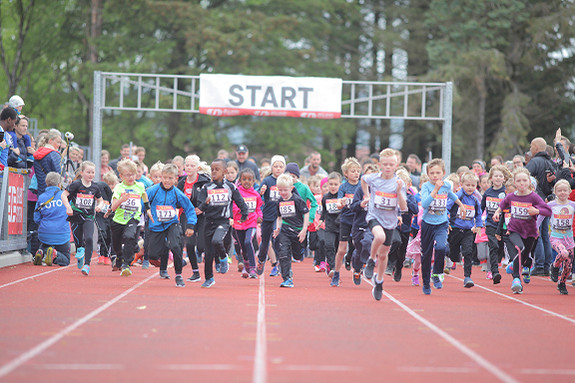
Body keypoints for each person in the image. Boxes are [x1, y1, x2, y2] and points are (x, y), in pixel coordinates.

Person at [493, 168, 551, 294]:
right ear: (514, 182)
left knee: (524, 257)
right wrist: (497, 213)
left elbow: (548, 211)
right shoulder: (511, 196)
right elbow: (502, 205)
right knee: (520, 248)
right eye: (518, 181)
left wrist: (536, 211)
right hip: (514, 229)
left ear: (529, 182)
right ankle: (516, 280)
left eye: (524, 180)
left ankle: (513, 265)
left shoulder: (534, 197)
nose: (521, 183)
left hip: (530, 232)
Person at [361, 149, 407, 300]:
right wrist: (367, 196)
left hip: (390, 221)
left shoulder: (399, 182)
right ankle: (370, 259)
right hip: (374, 216)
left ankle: (379, 281)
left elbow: (404, 207)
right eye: (385, 164)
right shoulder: (373, 178)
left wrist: (399, 192)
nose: (388, 167)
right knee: (378, 236)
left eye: (391, 165)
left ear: (396, 165)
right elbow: (363, 179)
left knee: (384, 254)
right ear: (380, 164)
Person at [197, 159, 248, 288]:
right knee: (208, 254)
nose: (214, 172)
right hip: (209, 222)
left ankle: (223, 257)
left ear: (224, 171)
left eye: (217, 169)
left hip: (223, 221)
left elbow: (240, 201)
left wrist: (244, 214)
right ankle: (209, 278)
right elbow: (200, 207)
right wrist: (205, 203)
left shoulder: (230, 187)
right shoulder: (206, 187)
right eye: (212, 169)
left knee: (217, 241)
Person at [419, 158, 467, 295]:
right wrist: (435, 189)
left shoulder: (446, 185)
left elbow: (452, 195)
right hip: (428, 224)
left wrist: (461, 205)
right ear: (428, 174)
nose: (435, 176)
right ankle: (426, 283)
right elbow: (424, 204)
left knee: (441, 247)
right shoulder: (426, 187)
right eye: (432, 173)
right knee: (426, 255)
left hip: (441, 223)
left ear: (443, 173)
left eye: (438, 173)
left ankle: (437, 273)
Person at [146, 164, 197, 287]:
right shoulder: (153, 190)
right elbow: (142, 203)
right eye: (165, 177)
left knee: (176, 246)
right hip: (156, 225)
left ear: (175, 179)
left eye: (170, 178)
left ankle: (178, 275)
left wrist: (190, 225)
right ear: (162, 177)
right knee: (152, 255)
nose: (167, 181)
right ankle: (163, 255)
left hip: (171, 224)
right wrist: (143, 212)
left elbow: (189, 209)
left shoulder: (177, 193)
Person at [105, 159, 153, 277]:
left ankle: (126, 264)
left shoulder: (140, 186)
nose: (131, 177)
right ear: (121, 176)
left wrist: (148, 210)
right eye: (128, 175)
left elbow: (144, 196)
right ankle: (119, 257)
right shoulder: (118, 188)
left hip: (133, 218)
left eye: (133, 174)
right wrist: (122, 200)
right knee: (116, 245)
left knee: (129, 236)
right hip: (118, 220)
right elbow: (114, 207)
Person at [61, 161, 105, 275]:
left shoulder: (95, 187)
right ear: (82, 172)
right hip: (75, 216)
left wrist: (99, 206)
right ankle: (79, 251)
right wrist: (68, 208)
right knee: (78, 241)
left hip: (88, 216)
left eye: (93, 172)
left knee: (89, 238)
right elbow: (63, 195)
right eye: (88, 172)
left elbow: (100, 200)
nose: (91, 174)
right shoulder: (76, 184)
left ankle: (87, 265)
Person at [177, 155, 210, 283]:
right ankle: (195, 272)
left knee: (201, 245)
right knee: (190, 244)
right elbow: (177, 200)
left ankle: (206, 259)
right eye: (187, 165)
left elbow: (209, 198)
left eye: (192, 165)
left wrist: (201, 208)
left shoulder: (204, 181)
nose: (189, 168)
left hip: (202, 215)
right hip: (187, 215)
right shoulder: (182, 182)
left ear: (198, 167)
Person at [447, 171, 483, 288]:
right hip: (455, 229)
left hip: (468, 231)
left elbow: (478, 214)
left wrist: (478, 225)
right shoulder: (457, 196)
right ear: (461, 184)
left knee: (468, 252)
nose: (470, 188)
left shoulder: (475, 200)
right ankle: (452, 258)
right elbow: (447, 208)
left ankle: (467, 277)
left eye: (473, 185)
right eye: (468, 185)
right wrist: (446, 222)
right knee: (453, 254)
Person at [273, 174, 309, 288]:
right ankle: (287, 278)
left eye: (285, 190)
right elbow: (279, 217)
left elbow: (306, 213)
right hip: (285, 231)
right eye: (280, 190)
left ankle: (301, 251)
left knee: (297, 256)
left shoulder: (297, 200)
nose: (283, 193)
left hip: (298, 231)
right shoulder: (279, 201)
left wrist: (304, 229)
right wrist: (278, 228)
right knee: (283, 254)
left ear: (291, 188)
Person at [526, 137, 555, 276]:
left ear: (536, 147)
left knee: (535, 232)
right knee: (544, 234)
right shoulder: (551, 163)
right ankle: (546, 265)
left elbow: (525, 176)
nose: (530, 149)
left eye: (531, 146)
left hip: (536, 201)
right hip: (547, 201)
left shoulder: (535, 162)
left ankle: (539, 264)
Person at [332, 158, 361, 286]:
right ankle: (336, 273)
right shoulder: (343, 186)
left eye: (358, 171)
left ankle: (357, 270)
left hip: (359, 220)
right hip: (345, 220)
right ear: (346, 174)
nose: (356, 173)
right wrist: (341, 203)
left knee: (359, 247)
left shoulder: (362, 185)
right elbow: (338, 203)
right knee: (342, 249)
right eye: (353, 171)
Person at [481, 165, 512, 284]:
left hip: (504, 225)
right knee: (493, 246)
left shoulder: (506, 192)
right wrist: (478, 221)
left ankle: (504, 265)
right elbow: (481, 207)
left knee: (500, 247)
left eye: (500, 176)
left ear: (504, 178)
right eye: (496, 176)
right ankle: (494, 272)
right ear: (491, 178)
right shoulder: (488, 192)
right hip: (490, 224)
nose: (498, 178)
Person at [257, 155, 287, 276]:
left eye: (281, 166)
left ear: (284, 168)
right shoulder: (267, 180)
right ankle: (261, 259)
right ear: (272, 168)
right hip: (268, 215)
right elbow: (259, 196)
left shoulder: (286, 180)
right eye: (276, 166)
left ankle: (278, 265)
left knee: (278, 241)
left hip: (281, 216)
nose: (278, 169)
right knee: (265, 242)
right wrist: (261, 192)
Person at [33, 172, 71, 267]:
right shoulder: (65, 196)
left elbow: (36, 218)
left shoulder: (41, 197)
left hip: (45, 233)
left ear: (46, 183)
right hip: (61, 233)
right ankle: (55, 254)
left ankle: (42, 252)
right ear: (59, 184)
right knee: (66, 259)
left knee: (46, 244)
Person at [349, 164, 379, 285]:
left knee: (367, 242)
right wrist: (361, 204)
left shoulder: (379, 190)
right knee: (358, 249)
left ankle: (367, 263)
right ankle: (357, 269)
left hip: (372, 224)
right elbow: (353, 206)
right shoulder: (360, 189)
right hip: (358, 224)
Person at [233, 168, 263, 279]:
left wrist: (260, 216)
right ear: (240, 180)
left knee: (248, 241)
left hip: (251, 222)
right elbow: (234, 206)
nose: (247, 181)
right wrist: (240, 211)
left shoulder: (256, 194)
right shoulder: (237, 192)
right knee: (242, 247)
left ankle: (252, 268)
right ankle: (246, 265)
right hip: (239, 222)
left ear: (253, 181)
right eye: (244, 179)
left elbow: (258, 208)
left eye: (249, 179)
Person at [548, 179, 575, 295]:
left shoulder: (572, 205)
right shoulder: (551, 205)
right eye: (559, 191)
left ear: (569, 192)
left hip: (569, 239)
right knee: (563, 254)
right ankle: (554, 267)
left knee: (568, 266)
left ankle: (562, 283)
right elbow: (540, 216)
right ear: (555, 192)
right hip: (555, 237)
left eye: (565, 190)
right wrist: (535, 229)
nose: (562, 193)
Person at [320, 172, 342, 285]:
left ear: (340, 185)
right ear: (327, 185)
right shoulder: (325, 198)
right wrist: (320, 220)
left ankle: (335, 269)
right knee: (328, 245)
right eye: (331, 184)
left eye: (335, 184)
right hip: (329, 226)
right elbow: (324, 211)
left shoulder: (342, 197)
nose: (333, 187)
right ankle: (332, 267)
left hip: (341, 227)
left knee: (338, 249)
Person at [95, 171, 117, 265]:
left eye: (112, 184)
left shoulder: (116, 193)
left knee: (110, 236)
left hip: (112, 216)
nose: (110, 187)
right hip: (101, 216)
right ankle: (101, 254)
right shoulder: (101, 192)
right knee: (102, 233)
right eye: (108, 184)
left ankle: (107, 255)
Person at [33, 130, 62, 195]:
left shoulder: (37, 153)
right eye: (58, 142)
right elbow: (59, 173)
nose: (59, 145)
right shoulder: (54, 155)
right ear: (50, 141)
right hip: (53, 192)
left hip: (41, 191)